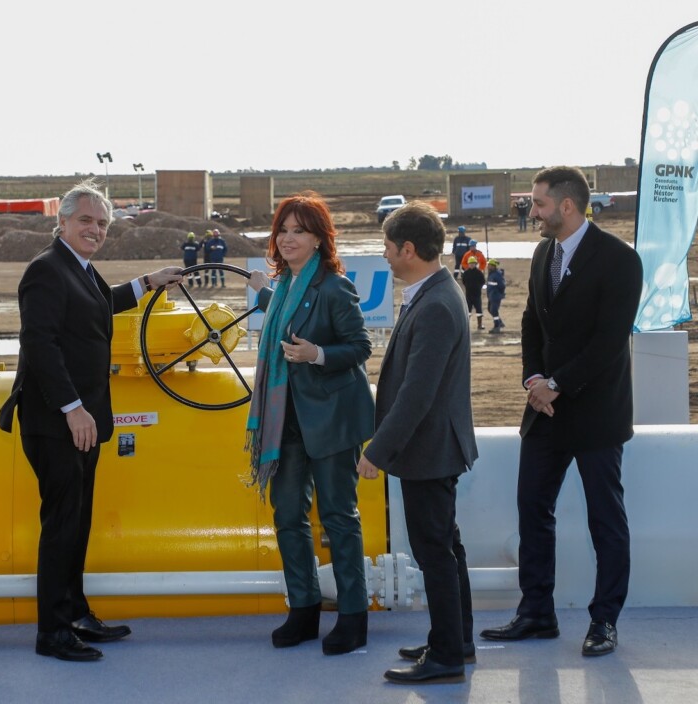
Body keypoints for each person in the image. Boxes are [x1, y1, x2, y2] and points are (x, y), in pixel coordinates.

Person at [0, 179, 181, 662]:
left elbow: (101, 303)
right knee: (61, 524)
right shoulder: (45, 271)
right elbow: (41, 345)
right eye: (86, 221)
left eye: (101, 223)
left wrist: (148, 282)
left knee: (77, 523)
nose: (95, 230)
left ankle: (75, 612)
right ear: (61, 222)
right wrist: (72, 408)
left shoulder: (79, 269)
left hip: (84, 420)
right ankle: (52, 632)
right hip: (58, 422)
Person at [480, 166, 643, 657]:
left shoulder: (620, 260)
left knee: (605, 521)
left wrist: (557, 384)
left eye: (539, 203)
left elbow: (609, 341)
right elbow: (531, 320)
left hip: (595, 413)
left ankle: (604, 622)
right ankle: (536, 614)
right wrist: (533, 379)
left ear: (566, 206)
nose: (533, 211)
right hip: (544, 411)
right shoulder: (542, 251)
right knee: (533, 508)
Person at [245, 191, 374, 656]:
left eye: (299, 230)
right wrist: (263, 289)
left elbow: (360, 347)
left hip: (332, 418)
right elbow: (283, 311)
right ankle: (302, 609)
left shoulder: (334, 287)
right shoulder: (281, 290)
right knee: (287, 514)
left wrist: (315, 354)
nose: (288, 237)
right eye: (283, 229)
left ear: (320, 238)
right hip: (286, 422)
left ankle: (353, 617)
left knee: (339, 516)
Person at [357, 201, 477, 685]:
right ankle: (458, 640)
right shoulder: (434, 292)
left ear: (408, 249)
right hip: (435, 446)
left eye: (387, 247)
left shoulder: (435, 305)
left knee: (435, 552)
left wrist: (377, 451)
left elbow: (417, 394)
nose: (384, 256)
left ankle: (447, 655)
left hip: (429, 449)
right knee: (446, 545)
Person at [460, 256, 486, 330]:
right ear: (468, 264)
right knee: (468, 311)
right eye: (470, 263)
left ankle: (480, 325)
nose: (471, 265)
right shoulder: (466, 273)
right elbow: (464, 281)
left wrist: (478, 287)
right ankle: (466, 325)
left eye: (473, 263)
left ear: (475, 264)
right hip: (468, 295)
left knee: (479, 311)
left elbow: (483, 281)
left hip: (477, 295)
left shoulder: (479, 273)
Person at [486, 259, 506, 333]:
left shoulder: (497, 274)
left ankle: (497, 326)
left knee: (494, 310)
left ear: (493, 266)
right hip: (491, 296)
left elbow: (502, 285)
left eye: (489, 265)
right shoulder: (491, 274)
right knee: (490, 309)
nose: (488, 266)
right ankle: (499, 322)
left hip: (495, 296)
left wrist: (498, 293)